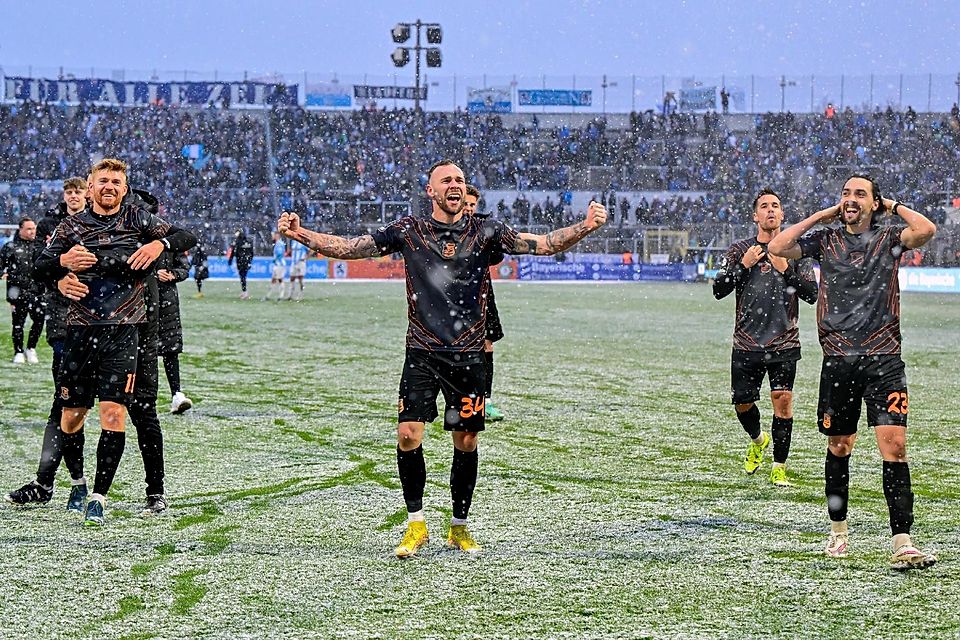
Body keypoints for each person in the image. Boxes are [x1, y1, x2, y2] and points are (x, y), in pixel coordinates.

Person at [277, 159, 607, 558]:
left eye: (460, 180)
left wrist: (585, 226)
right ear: (430, 191)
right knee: (407, 434)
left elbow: (543, 244)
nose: (455, 185)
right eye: (446, 180)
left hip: (468, 356)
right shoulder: (409, 230)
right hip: (421, 351)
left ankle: (459, 527)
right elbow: (351, 248)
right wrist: (300, 234)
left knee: (466, 440)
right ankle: (416, 524)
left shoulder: (485, 230)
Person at [768, 174, 938, 570]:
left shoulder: (889, 238)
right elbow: (777, 246)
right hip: (839, 362)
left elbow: (926, 229)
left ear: (874, 202)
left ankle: (903, 542)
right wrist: (821, 215)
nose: (850, 199)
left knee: (895, 447)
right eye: (845, 193)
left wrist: (891, 206)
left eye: (860, 194)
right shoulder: (825, 241)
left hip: (884, 359)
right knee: (840, 447)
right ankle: (838, 532)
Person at [32, 159, 194, 525]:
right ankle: (70, 483)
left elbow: (185, 238)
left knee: (133, 413)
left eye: (116, 183)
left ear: (126, 189)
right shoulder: (71, 226)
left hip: (132, 334)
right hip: (81, 332)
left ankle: (138, 493)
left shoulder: (141, 222)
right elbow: (39, 268)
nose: (110, 187)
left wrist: (160, 244)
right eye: (102, 181)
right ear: (90, 188)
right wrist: (60, 269)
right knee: (70, 413)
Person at [712, 189, 818, 486]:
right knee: (742, 404)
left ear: (782, 214)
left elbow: (812, 294)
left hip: (784, 343)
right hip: (746, 343)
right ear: (755, 216)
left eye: (775, 206)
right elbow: (718, 290)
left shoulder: (795, 251)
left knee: (782, 402)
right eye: (764, 206)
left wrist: (787, 272)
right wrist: (743, 265)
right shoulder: (739, 249)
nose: (770, 210)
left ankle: (779, 467)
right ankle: (758, 440)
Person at [462, 184, 505, 421]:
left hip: (483, 294)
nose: (469, 208)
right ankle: (455, 397)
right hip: (452, 298)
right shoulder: (443, 230)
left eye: (472, 204)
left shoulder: (482, 227)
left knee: (487, 345)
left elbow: (497, 256)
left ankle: (485, 401)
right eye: (465, 204)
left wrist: (490, 242)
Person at [0, 217, 45, 364]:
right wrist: (3, 274)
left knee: (39, 321)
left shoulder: (40, 246)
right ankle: (18, 351)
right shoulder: (10, 247)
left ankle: (31, 348)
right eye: (29, 229)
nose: (32, 231)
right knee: (18, 323)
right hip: (17, 292)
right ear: (20, 230)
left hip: (38, 291)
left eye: (34, 228)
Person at [156, 247, 194, 414]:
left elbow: (184, 268)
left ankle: (176, 394)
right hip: (141, 299)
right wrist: (152, 275)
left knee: (170, 350)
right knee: (141, 352)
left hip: (167, 302)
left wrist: (173, 274)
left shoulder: (171, 240)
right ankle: (139, 398)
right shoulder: (136, 235)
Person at [228, 228, 254, 299]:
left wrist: (230, 260)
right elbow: (252, 253)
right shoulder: (248, 241)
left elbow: (234, 252)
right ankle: (244, 291)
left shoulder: (237, 241)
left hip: (240, 261)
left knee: (242, 276)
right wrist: (249, 261)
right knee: (243, 276)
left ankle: (245, 292)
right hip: (247, 261)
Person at [264, 231, 287, 301]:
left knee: (280, 279)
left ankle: (281, 296)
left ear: (277, 235)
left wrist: (275, 259)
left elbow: (280, 253)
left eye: (273, 235)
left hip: (279, 265)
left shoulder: (279, 243)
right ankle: (268, 295)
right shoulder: (278, 243)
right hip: (277, 264)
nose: (272, 236)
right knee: (274, 280)